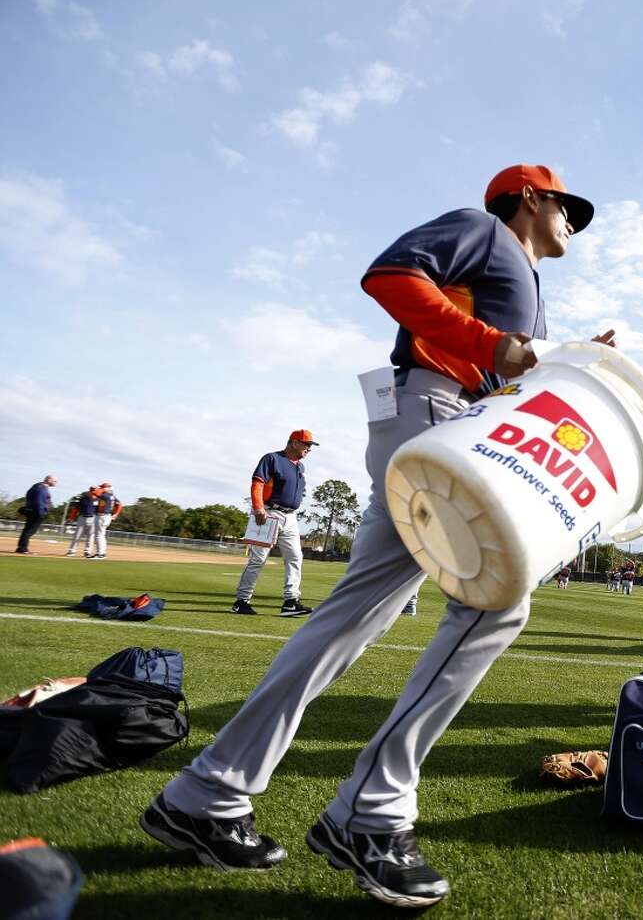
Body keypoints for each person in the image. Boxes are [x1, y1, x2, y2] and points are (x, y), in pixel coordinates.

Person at [140, 164, 601, 908]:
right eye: (565, 207)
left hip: (456, 420)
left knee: (352, 617)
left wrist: (569, 360)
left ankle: (207, 793)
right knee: (495, 601)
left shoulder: (528, 280)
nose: (572, 222)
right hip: (434, 411)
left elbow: (510, 372)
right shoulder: (483, 227)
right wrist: (491, 341)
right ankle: (370, 812)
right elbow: (390, 274)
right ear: (528, 197)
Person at [231, 431, 319, 617]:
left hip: (290, 517)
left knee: (295, 557)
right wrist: (258, 508)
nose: (309, 449)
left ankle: (290, 603)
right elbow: (257, 483)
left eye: (311, 445)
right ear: (294, 443)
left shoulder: (300, 467)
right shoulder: (272, 459)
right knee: (258, 559)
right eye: (306, 444)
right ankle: (242, 601)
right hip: (268, 514)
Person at [15, 475, 56, 554]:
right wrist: (41, 512)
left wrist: (28, 507)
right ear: (49, 480)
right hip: (37, 512)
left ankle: (21, 547)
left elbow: (28, 495)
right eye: (55, 481)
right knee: (30, 530)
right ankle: (23, 549)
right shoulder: (42, 488)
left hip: (32, 510)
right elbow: (39, 501)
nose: (56, 483)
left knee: (28, 530)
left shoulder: (37, 486)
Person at [64, 486, 100, 557]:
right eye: (92, 490)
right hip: (82, 517)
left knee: (90, 536)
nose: (93, 491)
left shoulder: (99, 500)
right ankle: (72, 551)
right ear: (89, 491)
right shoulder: (83, 499)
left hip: (93, 518)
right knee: (77, 535)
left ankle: (88, 551)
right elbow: (76, 509)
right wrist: (71, 517)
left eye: (94, 490)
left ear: (96, 491)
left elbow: (100, 511)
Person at [91, 482, 122, 560]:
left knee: (99, 536)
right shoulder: (112, 496)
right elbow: (120, 504)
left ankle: (100, 554)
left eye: (103, 487)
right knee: (101, 535)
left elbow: (94, 492)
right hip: (106, 516)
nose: (102, 488)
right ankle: (102, 553)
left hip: (102, 516)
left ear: (108, 488)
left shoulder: (105, 495)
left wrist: (97, 488)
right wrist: (116, 514)